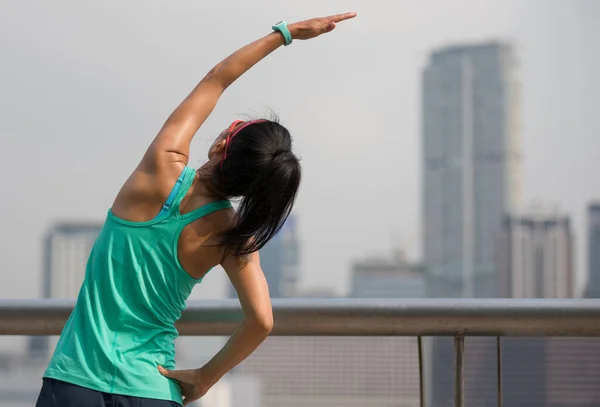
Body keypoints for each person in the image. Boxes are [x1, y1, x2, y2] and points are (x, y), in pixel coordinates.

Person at [35, 11, 357, 407]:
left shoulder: (160, 166)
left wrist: (286, 34)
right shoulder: (234, 235)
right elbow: (261, 321)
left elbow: (216, 79)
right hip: (152, 391)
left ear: (223, 145)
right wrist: (206, 377)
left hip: (76, 383)